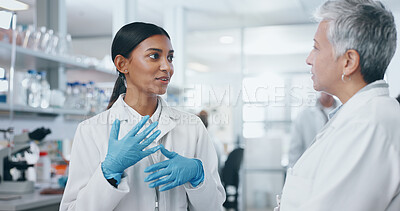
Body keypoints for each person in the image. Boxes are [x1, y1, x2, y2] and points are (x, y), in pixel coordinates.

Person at [60, 22, 225, 211]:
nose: (167, 67)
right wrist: (108, 174)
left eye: (170, 58)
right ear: (122, 64)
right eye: (154, 56)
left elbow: (214, 207)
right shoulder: (92, 130)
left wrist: (198, 177)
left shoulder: (191, 127)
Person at [276, 0, 400, 210]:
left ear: (349, 62)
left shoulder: (367, 125)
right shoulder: (359, 117)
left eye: (316, 47)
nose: (309, 59)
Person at [288, 92, 337, 167]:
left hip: (334, 163)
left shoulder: (343, 110)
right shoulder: (304, 114)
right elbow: (295, 148)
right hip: (310, 166)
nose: (326, 93)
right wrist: (292, 169)